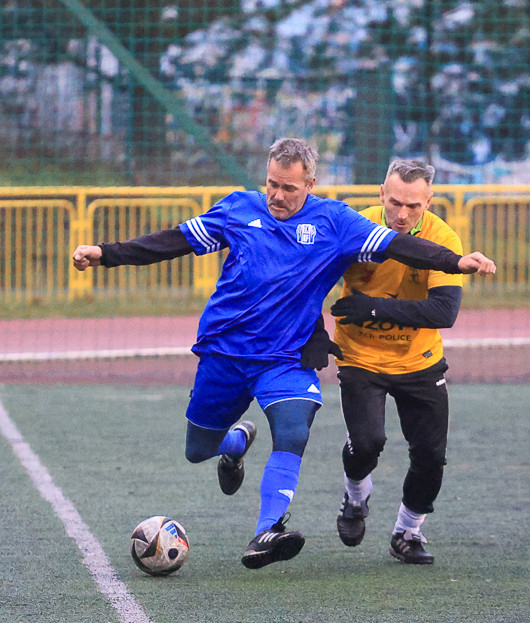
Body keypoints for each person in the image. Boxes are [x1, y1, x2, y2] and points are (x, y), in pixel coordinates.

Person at [72, 138, 496, 570]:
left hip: (286, 358)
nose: (277, 195)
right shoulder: (238, 208)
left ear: (310, 184)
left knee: (293, 430)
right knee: (198, 449)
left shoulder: (335, 222)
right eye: (272, 184)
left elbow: (399, 246)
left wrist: (456, 262)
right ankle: (235, 443)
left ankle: (267, 530)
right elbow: (173, 241)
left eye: (289, 188)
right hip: (225, 352)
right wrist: (105, 254)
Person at [300, 159, 461, 565]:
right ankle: (356, 497)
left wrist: (372, 308)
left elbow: (444, 312)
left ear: (429, 202)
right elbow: (309, 283)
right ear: (381, 195)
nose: (402, 214)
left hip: (420, 360)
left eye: (413, 206)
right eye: (395, 203)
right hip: (360, 356)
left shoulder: (443, 238)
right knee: (368, 443)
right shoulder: (355, 227)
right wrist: (314, 332)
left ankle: (408, 532)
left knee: (430, 456)